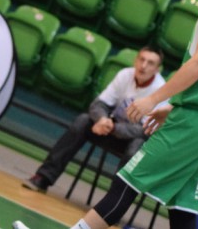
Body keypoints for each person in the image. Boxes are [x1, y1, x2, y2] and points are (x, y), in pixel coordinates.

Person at [15, 0, 198, 229]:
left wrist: (155, 99)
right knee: (183, 211)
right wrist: (176, 106)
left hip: (194, 121)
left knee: (126, 184)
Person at [23, 47, 167, 193]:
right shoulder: (125, 75)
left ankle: (112, 202)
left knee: (136, 148)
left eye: (150, 63)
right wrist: (102, 120)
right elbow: (98, 104)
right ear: (136, 60)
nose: (143, 66)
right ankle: (43, 178)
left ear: (157, 69)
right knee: (83, 121)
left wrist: (114, 128)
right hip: (108, 128)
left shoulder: (160, 90)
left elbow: (145, 130)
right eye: (141, 59)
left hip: (131, 139)